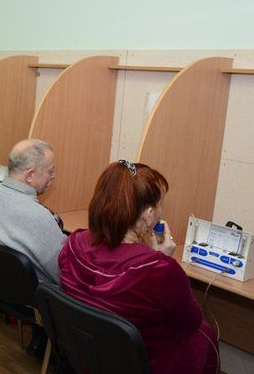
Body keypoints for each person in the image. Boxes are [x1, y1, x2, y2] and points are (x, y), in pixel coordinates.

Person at [58, 160, 219, 374]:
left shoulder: (73, 243)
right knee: (205, 334)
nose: (161, 212)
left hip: (88, 354)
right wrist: (161, 260)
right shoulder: (161, 271)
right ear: (148, 214)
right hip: (138, 364)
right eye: (160, 205)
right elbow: (190, 322)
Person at [0, 138, 66, 357]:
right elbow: (63, 274)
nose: (53, 177)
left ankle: (39, 340)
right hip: (32, 300)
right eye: (50, 171)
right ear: (30, 175)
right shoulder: (39, 217)